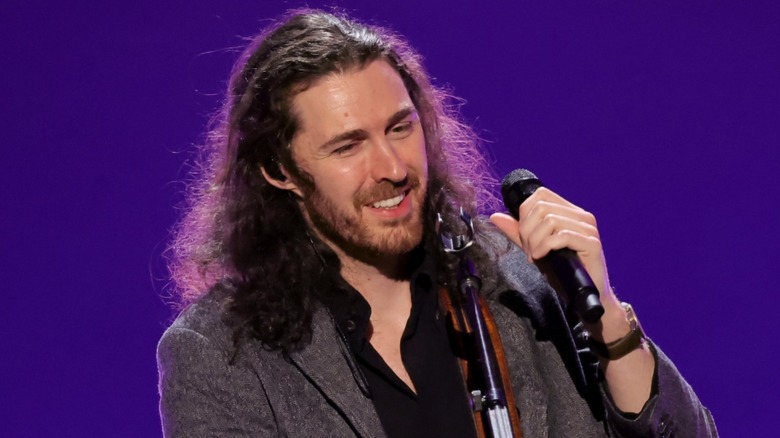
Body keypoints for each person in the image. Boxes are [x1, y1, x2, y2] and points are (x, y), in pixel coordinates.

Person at [157, 9, 717, 437]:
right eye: (349, 145)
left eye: (401, 128)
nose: (393, 168)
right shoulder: (220, 351)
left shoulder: (513, 276)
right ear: (280, 170)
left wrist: (610, 326)